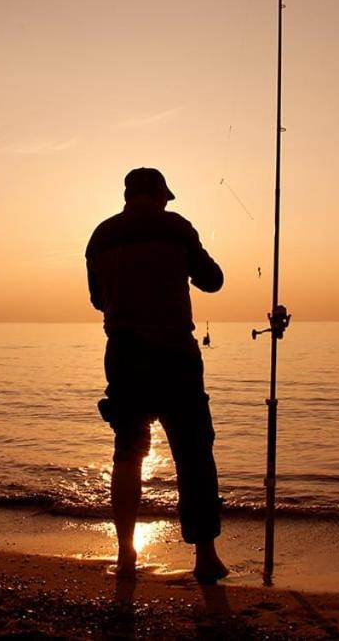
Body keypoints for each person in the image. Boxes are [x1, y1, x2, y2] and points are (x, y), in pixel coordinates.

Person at [85, 167, 228, 582]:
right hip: (174, 357)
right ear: (159, 195)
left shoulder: (100, 236)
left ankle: (126, 555)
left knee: (128, 453)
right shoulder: (176, 227)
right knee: (194, 454)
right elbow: (212, 281)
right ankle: (205, 558)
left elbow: (98, 300)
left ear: (129, 195)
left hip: (124, 356)